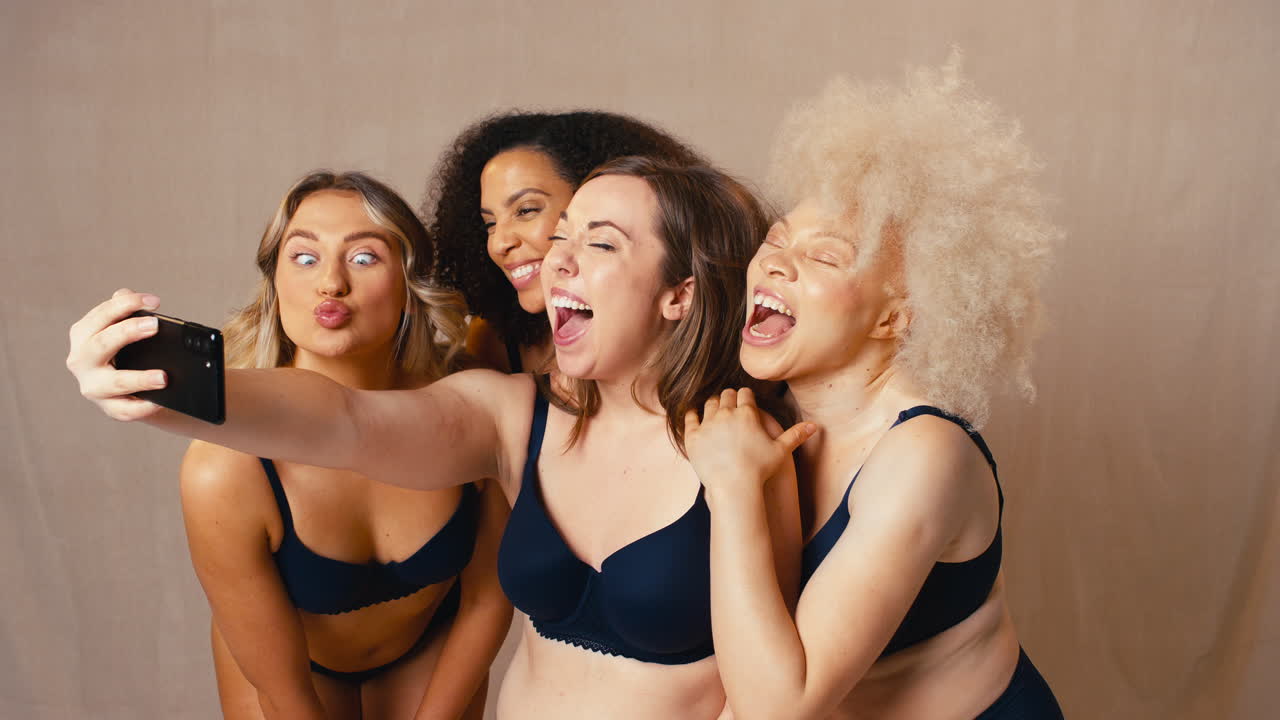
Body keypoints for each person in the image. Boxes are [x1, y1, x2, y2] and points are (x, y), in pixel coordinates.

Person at [66, 158, 799, 719]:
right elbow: (342, 419)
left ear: (681, 294)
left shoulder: (743, 449)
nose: (557, 260)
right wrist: (163, 390)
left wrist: (739, 487)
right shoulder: (514, 418)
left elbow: (769, 695)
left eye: (599, 244)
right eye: (562, 236)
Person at [684, 59, 1066, 719]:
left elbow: (781, 706)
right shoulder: (769, 421)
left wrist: (736, 489)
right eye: (776, 243)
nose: (774, 261)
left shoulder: (925, 454)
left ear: (897, 315)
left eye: (825, 256)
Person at [115, 171, 512, 719]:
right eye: (304, 258)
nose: (330, 283)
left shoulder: (463, 407)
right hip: (294, 675)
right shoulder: (227, 467)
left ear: (410, 281)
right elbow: (284, 697)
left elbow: (489, 598)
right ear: (275, 282)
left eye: (365, 257)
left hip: (429, 649)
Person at [424, 111, 702, 373]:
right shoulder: (494, 342)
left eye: (526, 210)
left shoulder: (688, 345)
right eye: (490, 224)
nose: (500, 243)